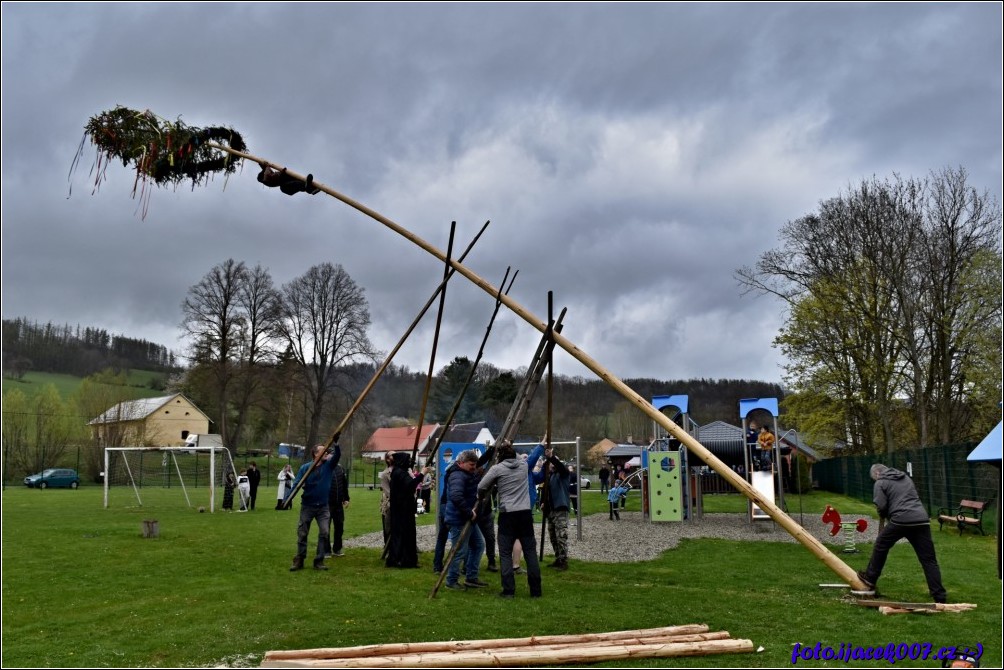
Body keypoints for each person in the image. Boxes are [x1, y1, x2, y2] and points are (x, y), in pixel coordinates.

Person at [857, 463, 947, 603]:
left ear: (877, 474)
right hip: (922, 519)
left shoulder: (880, 482)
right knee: (928, 559)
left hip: (901, 520)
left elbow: (881, 505)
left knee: (881, 544)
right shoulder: (904, 477)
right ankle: (939, 596)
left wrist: (884, 514)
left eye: (874, 478)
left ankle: (870, 578)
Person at [478, 440, 542, 598]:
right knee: (530, 553)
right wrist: (509, 447)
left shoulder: (497, 469)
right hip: (525, 514)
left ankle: (508, 591)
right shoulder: (523, 466)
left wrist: (480, 497)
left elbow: (481, 486)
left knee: (505, 553)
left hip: (508, 515)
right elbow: (521, 457)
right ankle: (535, 591)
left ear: (499, 456)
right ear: (515, 454)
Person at [288, 443, 341, 572]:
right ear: (315, 454)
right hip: (307, 506)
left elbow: (337, 456)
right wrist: (287, 499)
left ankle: (319, 560)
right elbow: (296, 484)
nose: (327, 453)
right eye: (323, 451)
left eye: (327, 452)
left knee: (324, 532)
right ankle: (299, 559)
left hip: (323, 507)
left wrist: (337, 444)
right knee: (302, 533)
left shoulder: (328, 466)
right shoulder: (305, 468)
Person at [443, 449, 487, 590]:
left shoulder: (466, 473)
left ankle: (471, 577)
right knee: (460, 551)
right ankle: (451, 581)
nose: (474, 467)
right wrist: (469, 513)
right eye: (471, 465)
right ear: (461, 463)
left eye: (475, 464)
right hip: (458, 519)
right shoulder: (457, 475)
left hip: (467, 519)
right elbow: (456, 496)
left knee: (478, 545)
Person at [534, 444, 571, 571]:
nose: (549, 464)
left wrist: (552, 457)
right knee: (553, 536)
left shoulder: (563, 474)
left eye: (550, 463)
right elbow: (546, 491)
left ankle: (564, 560)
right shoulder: (549, 477)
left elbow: (562, 468)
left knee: (561, 535)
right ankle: (558, 558)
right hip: (551, 511)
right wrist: (543, 502)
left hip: (560, 508)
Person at [385, 452, 423, 568]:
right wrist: (422, 474)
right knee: (405, 535)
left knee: (403, 534)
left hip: (402, 509)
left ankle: (402, 558)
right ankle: (403, 559)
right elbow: (411, 485)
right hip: (403, 510)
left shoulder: (398, 472)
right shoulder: (400, 473)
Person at [475, 448, 499, 573]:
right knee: (472, 541)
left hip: (487, 512)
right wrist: (491, 450)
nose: (480, 469)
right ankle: (468, 565)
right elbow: (481, 461)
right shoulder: (472, 476)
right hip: (475, 512)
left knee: (490, 538)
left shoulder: (487, 476)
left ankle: (491, 561)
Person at [325, 460, 350, 558]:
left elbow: (344, 484)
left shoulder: (340, 468)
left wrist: (346, 498)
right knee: (325, 527)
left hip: (338, 504)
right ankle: (326, 550)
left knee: (339, 527)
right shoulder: (324, 468)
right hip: (326, 504)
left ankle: (337, 549)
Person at [378, 451, 394, 547]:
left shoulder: (403, 470)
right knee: (388, 526)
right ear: (388, 459)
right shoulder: (385, 474)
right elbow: (387, 491)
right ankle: (387, 546)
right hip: (388, 503)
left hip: (401, 502)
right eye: (392, 455)